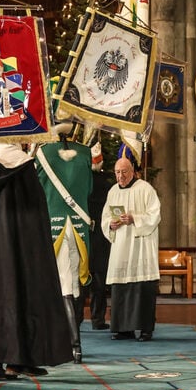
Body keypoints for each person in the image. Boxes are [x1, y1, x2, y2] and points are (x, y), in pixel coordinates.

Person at [0, 143, 73, 380]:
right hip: (18, 251)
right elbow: (35, 216)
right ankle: (15, 360)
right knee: (22, 296)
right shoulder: (23, 168)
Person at [35, 122, 94, 363]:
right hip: (79, 228)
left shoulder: (43, 152)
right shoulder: (86, 153)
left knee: (63, 286)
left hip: (55, 226)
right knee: (74, 285)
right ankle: (73, 343)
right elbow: (89, 188)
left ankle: (73, 345)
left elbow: (38, 187)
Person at [101, 147, 161, 342]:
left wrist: (134, 218)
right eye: (117, 172)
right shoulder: (112, 192)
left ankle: (145, 329)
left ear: (133, 171)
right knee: (121, 287)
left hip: (141, 245)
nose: (121, 176)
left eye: (124, 172)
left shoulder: (145, 189)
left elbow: (155, 216)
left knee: (142, 287)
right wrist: (111, 224)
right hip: (121, 246)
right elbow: (104, 218)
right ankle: (122, 329)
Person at [84, 141, 112, 330]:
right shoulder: (108, 182)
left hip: (90, 235)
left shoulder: (81, 180)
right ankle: (97, 319)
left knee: (87, 281)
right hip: (99, 236)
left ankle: (81, 319)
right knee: (99, 281)